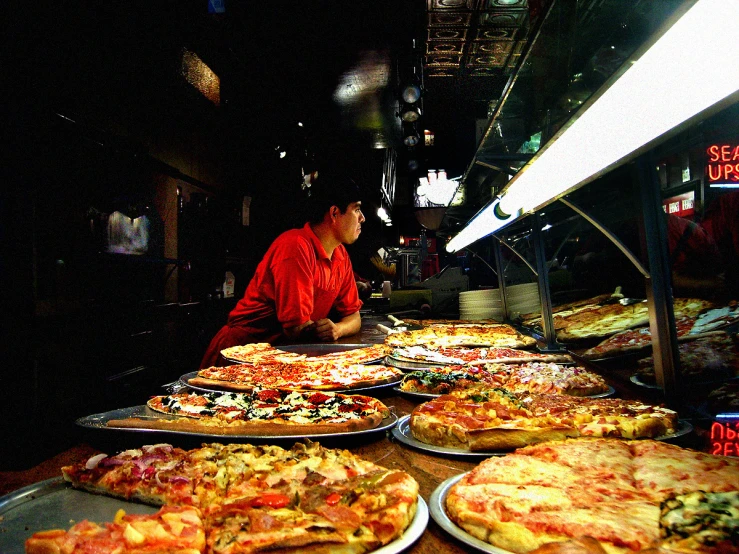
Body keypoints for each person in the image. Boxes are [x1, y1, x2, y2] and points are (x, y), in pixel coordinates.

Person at [199, 171, 366, 368]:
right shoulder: (296, 246)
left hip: (278, 357)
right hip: (240, 355)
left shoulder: (340, 255)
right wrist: (327, 329)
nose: (362, 218)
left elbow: (354, 317)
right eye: (356, 210)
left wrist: (337, 329)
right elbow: (296, 330)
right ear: (334, 213)